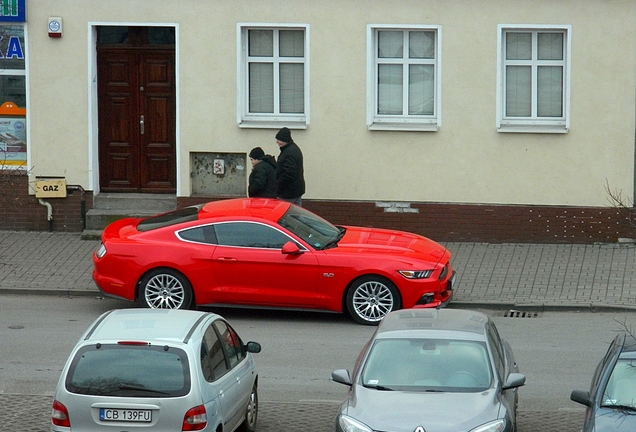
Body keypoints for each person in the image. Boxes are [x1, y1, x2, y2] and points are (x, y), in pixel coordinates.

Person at [275, 127, 305, 206]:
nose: (277, 142)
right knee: (296, 215)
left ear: (284, 141)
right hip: (296, 191)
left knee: (285, 214)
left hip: (288, 193)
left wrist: (278, 185)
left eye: (278, 140)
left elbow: (289, 174)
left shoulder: (288, 153)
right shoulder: (294, 149)